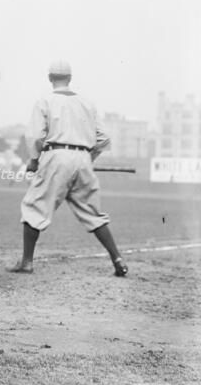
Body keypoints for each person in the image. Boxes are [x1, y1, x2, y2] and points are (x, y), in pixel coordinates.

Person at [7, 61, 129, 277]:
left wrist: (34, 160)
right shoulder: (87, 103)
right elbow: (104, 138)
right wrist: (88, 157)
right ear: (70, 79)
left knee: (34, 207)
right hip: (82, 158)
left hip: (56, 156)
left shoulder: (45, 100)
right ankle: (117, 259)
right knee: (93, 213)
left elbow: (34, 136)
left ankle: (26, 262)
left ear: (50, 78)